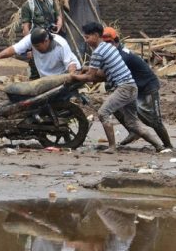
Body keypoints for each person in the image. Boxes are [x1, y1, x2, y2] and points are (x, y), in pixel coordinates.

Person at [70, 22, 165, 154]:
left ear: (96, 35)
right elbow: (103, 73)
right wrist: (85, 69)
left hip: (124, 88)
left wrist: (73, 77)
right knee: (133, 123)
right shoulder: (108, 48)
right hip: (132, 87)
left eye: (87, 37)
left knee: (103, 113)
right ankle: (159, 146)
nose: (86, 41)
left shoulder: (98, 52)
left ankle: (112, 147)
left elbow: (90, 77)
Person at [102, 27, 173, 150]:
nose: (108, 46)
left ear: (116, 41)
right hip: (133, 87)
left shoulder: (122, 56)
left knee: (154, 120)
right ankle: (133, 131)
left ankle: (167, 145)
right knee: (116, 107)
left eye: (110, 43)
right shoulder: (116, 53)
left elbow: (107, 73)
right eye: (105, 43)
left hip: (147, 87)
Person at [0, 27, 80, 77]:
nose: (35, 48)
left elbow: (70, 64)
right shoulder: (30, 39)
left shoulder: (61, 44)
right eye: (33, 46)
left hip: (62, 75)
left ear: (46, 41)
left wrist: (71, 77)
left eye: (38, 46)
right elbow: (14, 49)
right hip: (46, 78)